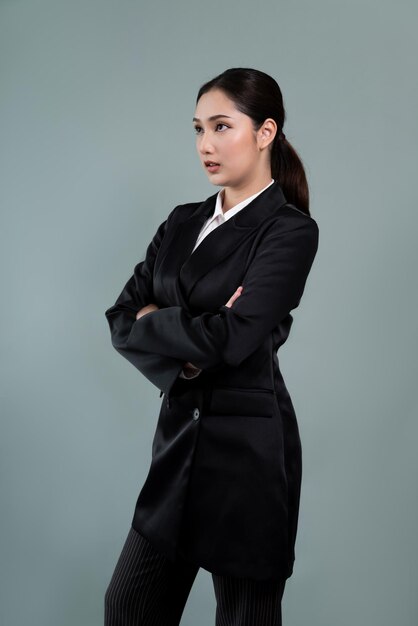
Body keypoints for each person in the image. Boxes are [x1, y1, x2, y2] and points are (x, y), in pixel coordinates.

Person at [104, 67, 319, 626]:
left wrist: (165, 320)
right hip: (177, 445)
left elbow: (235, 336)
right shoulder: (181, 222)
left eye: (222, 127)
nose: (206, 144)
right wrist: (195, 341)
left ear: (265, 131)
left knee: (245, 616)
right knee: (128, 607)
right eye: (198, 129)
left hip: (247, 455)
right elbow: (121, 318)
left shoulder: (289, 231)